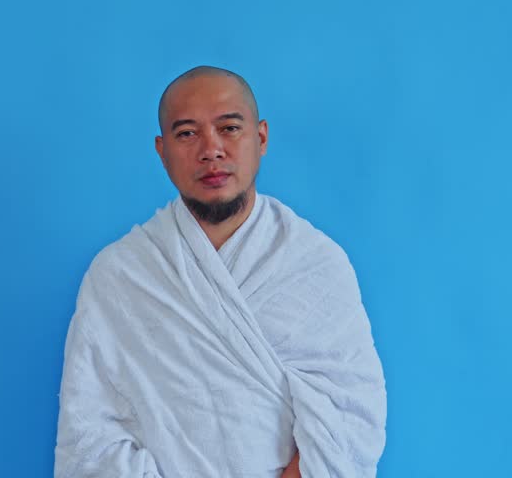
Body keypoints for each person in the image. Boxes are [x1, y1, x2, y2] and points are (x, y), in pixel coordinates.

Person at [54, 66, 387, 478]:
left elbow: (350, 413)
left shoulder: (316, 264)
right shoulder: (119, 275)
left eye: (229, 128)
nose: (210, 150)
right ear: (161, 150)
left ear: (261, 137)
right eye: (187, 134)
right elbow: (90, 432)